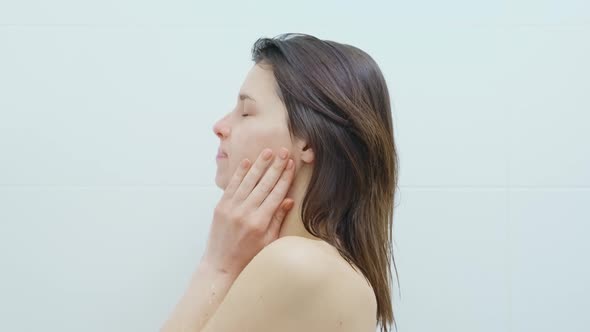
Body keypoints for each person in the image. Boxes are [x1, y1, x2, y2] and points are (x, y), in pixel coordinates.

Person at [161, 33, 399, 332]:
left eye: (246, 111)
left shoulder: (297, 264)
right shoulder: (327, 267)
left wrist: (217, 267)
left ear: (308, 141)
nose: (220, 126)